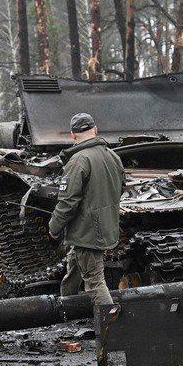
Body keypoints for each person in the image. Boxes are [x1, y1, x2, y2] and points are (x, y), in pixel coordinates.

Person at [47, 112, 125, 307]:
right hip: (105, 227)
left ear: (73, 135)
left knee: (95, 282)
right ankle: (68, 311)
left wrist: (53, 227)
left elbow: (67, 202)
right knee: (74, 269)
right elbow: (121, 188)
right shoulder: (113, 156)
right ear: (95, 131)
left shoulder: (78, 161)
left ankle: (111, 326)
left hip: (87, 231)